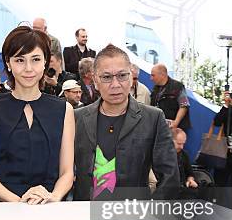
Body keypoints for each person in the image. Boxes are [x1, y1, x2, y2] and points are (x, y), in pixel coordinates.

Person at [0, 25, 75, 204]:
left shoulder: (64, 110)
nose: (28, 68)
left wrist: (53, 197)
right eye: (20, 60)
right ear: (8, 63)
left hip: (49, 206)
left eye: (35, 59)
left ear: (45, 62)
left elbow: (67, 172)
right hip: (3, 208)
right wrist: (19, 203)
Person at [73, 44, 179, 200]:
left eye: (122, 75)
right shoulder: (77, 118)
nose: (115, 84)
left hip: (133, 217)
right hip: (84, 216)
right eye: (107, 77)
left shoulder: (153, 118)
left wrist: (150, 214)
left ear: (131, 78)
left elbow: (170, 178)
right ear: (95, 81)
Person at [150, 63, 191, 130]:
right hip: (160, 127)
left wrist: (176, 123)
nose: (151, 78)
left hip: (175, 129)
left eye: (153, 75)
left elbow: (184, 105)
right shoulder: (155, 89)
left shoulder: (178, 86)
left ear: (162, 75)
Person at [172, 127, 199, 199]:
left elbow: (190, 173)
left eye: (183, 144)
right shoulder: (161, 155)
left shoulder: (184, 154)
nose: (181, 147)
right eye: (179, 144)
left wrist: (190, 180)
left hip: (183, 189)